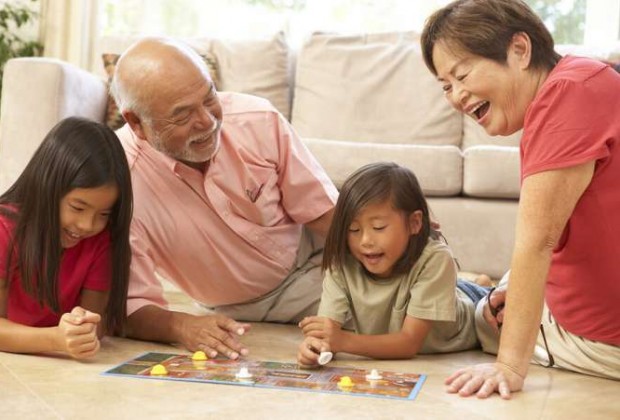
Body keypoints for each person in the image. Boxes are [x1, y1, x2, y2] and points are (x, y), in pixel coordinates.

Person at [420, 0, 620, 399]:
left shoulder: (567, 96)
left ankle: (474, 294)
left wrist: (509, 366)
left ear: (520, 50)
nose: (457, 96)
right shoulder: (587, 81)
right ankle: (484, 289)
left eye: (462, 74)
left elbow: (537, 242)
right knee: (506, 289)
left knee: (475, 318)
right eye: (446, 86)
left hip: (598, 340)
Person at [109, 37, 337, 360]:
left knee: (410, 296)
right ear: (136, 123)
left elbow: (324, 211)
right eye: (183, 114)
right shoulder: (119, 180)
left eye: (209, 96)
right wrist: (181, 326)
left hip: (316, 252)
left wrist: (400, 245)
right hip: (236, 304)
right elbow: (127, 302)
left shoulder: (256, 118)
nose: (208, 121)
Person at [297, 162, 489, 366]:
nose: (365, 241)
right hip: (436, 289)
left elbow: (409, 343)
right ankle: (473, 282)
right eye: (354, 229)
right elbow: (328, 331)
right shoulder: (342, 263)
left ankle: (480, 286)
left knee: (498, 307)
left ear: (414, 223)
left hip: (472, 310)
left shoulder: (436, 259)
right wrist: (316, 347)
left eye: (378, 227)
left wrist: (342, 340)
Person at [0, 117, 133, 359]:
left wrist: (84, 329)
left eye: (103, 213)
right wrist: (55, 339)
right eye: (78, 207)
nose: (87, 225)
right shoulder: (5, 230)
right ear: (47, 188)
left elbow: (96, 321)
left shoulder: (101, 240)